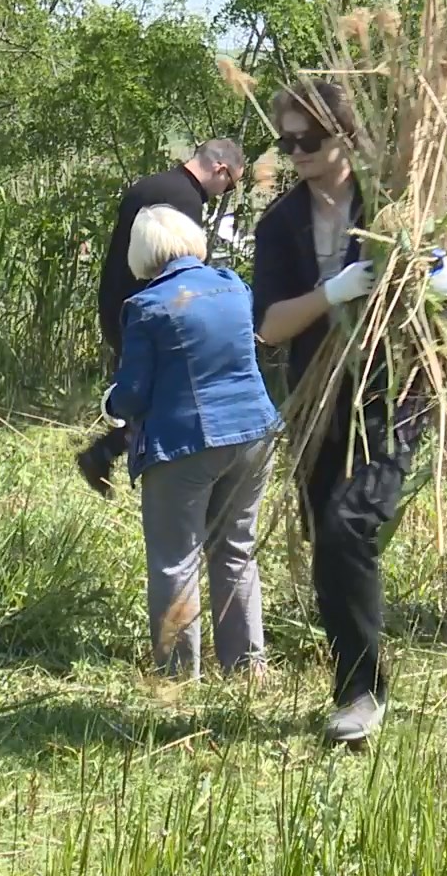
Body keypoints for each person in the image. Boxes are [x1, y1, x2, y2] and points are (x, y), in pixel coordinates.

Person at [251, 81, 447, 743]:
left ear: (344, 137)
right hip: (317, 401)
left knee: (351, 526)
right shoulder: (280, 224)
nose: (296, 153)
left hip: (394, 393)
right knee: (329, 542)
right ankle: (353, 681)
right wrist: (332, 291)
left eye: (309, 140)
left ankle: (362, 693)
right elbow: (269, 326)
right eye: (286, 141)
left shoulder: (394, 207)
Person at [103, 206, 279, 680]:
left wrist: (109, 404)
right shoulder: (233, 286)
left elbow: (133, 394)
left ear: (143, 252)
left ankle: (178, 676)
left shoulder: (146, 305)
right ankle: (247, 668)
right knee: (236, 549)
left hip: (187, 444)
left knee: (174, 560)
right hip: (254, 432)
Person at [78, 139, 247, 496]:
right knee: (160, 394)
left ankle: (105, 454)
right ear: (220, 169)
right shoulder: (184, 201)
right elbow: (177, 272)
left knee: (153, 393)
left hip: (120, 304)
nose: (224, 193)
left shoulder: (153, 185)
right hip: (148, 314)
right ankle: (126, 462)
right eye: (229, 184)